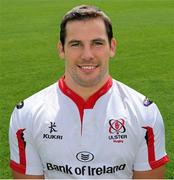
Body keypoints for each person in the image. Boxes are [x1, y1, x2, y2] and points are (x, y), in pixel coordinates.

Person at [9, 5, 169, 179]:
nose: (87, 55)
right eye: (76, 44)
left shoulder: (145, 114)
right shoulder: (26, 115)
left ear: (112, 47)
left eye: (97, 43)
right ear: (62, 49)